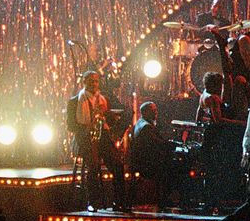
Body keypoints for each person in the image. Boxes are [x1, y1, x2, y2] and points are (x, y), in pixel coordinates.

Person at [66, 70, 126, 211]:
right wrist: (87, 126)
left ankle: (119, 201)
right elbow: (70, 125)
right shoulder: (75, 101)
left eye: (96, 81)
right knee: (93, 166)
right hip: (84, 138)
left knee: (117, 164)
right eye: (91, 81)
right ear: (84, 82)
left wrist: (106, 115)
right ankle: (93, 202)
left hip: (102, 137)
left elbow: (110, 123)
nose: (94, 84)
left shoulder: (104, 100)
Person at [197, 71, 245, 212]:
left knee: (210, 170)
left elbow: (198, 117)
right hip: (215, 138)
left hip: (207, 137)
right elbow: (218, 120)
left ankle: (209, 201)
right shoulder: (213, 99)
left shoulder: (203, 96)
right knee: (216, 170)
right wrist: (239, 123)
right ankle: (215, 202)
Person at [129, 101, 176, 210]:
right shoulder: (147, 127)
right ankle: (165, 199)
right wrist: (173, 145)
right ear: (145, 112)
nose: (156, 113)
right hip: (146, 164)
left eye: (156, 110)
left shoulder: (140, 123)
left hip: (142, 161)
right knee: (174, 168)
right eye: (153, 111)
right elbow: (158, 144)